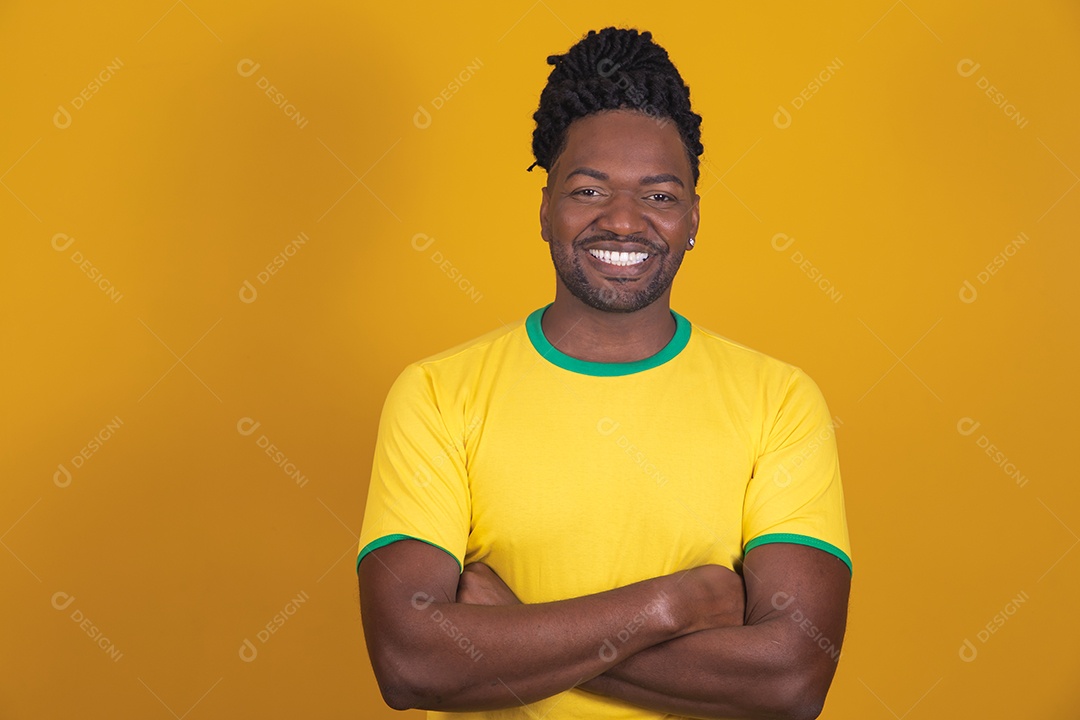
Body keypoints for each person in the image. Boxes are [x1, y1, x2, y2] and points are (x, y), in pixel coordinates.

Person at [356, 26, 851, 720]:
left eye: (659, 196)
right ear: (545, 209)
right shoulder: (437, 394)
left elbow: (791, 681)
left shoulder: (780, 401)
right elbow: (411, 662)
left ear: (694, 218)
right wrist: (674, 604)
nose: (624, 221)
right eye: (589, 191)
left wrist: (514, 628)